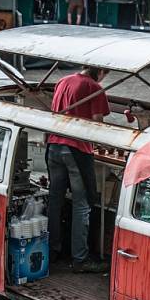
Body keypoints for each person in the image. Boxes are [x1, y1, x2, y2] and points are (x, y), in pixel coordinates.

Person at [47, 66, 111, 273]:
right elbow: (97, 124)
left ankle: (53, 250)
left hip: (54, 145)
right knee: (82, 205)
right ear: (99, 70)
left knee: (55, 201)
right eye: (105, 74)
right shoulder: (94, 87)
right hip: (76, 149)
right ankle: (80, 259)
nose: (103, 78)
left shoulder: (63, 80)